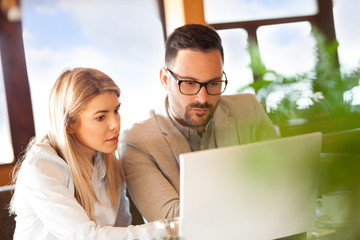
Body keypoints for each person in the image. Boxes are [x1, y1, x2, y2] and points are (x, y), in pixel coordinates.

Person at [119, 24, 279, 222]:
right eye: (188, 82)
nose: (202, 98)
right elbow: (171, 221)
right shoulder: (137, 141)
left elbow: (281, 181)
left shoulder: (248, 109)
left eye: (213, 83)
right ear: (164, 79)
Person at [9, 67, 160, 240]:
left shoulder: (109, 162)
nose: (115, 125)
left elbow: (122, 231)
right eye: (101, 117)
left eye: (116, 111)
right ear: (69, 124)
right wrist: (167, 229)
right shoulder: (41, 167)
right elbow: (84, 237)